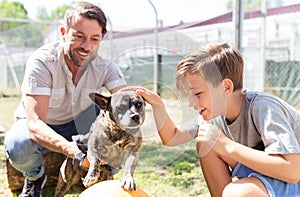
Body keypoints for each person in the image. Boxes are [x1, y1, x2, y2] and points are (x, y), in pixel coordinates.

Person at [127, 41, 300, 196]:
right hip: (269, 176)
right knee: (206, 142)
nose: (191, 103)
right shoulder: (214, 114)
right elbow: (172, 137)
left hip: (293, 177)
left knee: (237, 193)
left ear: (225, 86)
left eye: (197, 94)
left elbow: (292, 171)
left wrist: (228, 146)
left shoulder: (263, 107)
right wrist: (158, 104)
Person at [4, 1, 126, 196]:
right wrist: (76, 154)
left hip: (81, 124)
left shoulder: (105, 66)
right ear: (63, 32)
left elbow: (125, 103)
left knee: (119, 137)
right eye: (79, 36)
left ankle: (92, 177)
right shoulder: (43, 61)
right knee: (18, 145)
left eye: (95, 39)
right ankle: (35, 178)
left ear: (102, 38)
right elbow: (35, 123)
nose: (87, 46)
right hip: (43, 123)